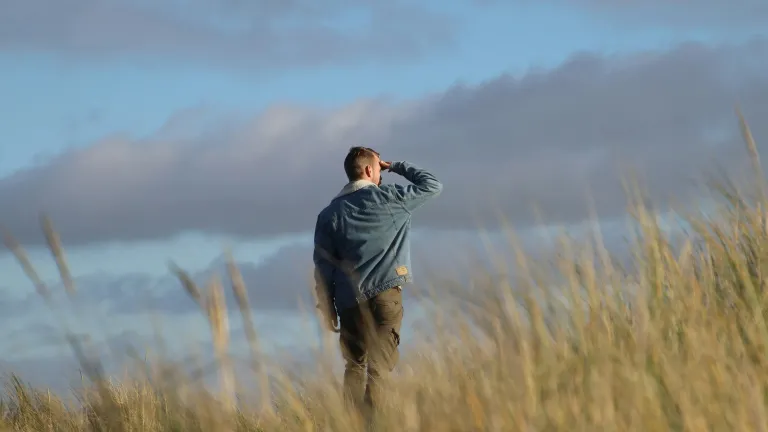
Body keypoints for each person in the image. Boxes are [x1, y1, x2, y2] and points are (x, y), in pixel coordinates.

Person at [312, 146, 442, 415]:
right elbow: (432, 185)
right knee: (380, 367)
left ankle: (351, 424)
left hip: (348, 301)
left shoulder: (328, 215)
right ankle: (375, 423)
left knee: (354, 365)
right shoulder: (391, 198)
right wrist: (396, 165)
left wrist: (327, 307)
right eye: (379, 168)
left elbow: (323, 267)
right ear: (369, 169)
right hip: (386, 296)